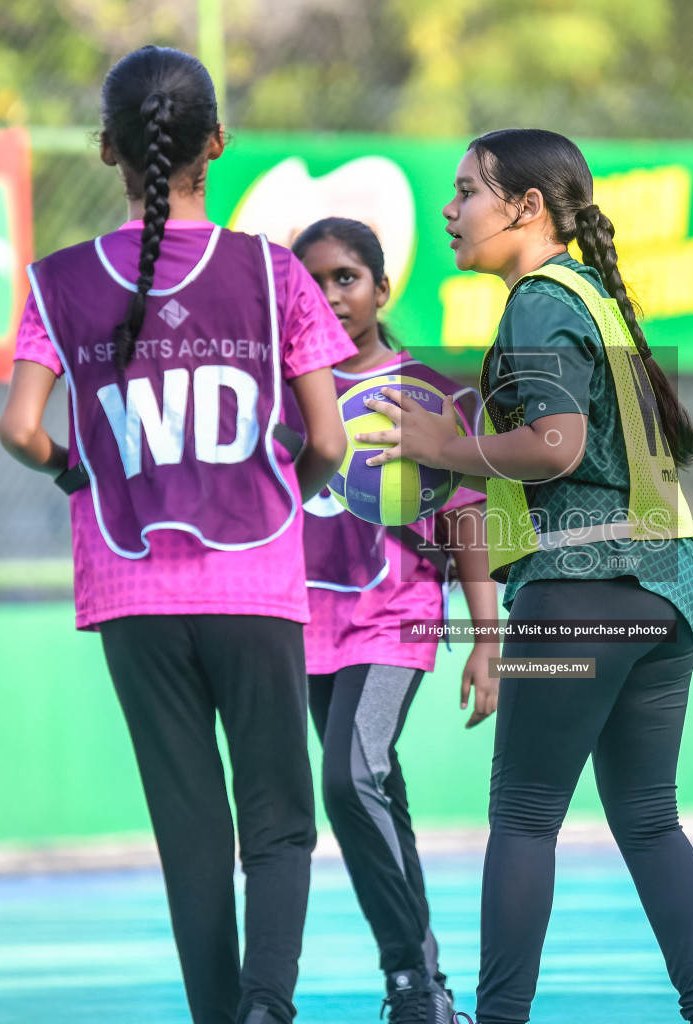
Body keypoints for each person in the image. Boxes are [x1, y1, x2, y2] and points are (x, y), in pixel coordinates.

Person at [0, 45, 354, 1024]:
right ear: (219, 145)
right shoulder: (273, 273)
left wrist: (79, 470)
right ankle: (267, 1004)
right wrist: (286, 481)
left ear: (108, 147)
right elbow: (327, 437)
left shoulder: (57, 282)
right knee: (278, 822)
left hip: (131, 589)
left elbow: (20, 429)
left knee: (190, 829)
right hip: (256, 574)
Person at [359, 128, 693, 1024]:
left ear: (527, 208)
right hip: (666, 586)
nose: (450, 211)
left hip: (583, 582)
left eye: (467, 192)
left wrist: (442, 444)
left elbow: (555, 447)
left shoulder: (537, 299)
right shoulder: (595, 295)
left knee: (525, 817)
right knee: (648, 820)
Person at [289, 217, 499, 1024]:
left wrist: (486, 639)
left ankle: (410, 980)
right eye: (312, 282)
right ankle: (429, 987)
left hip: (396, 620)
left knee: (349, 778)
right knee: (376, 789)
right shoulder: (284, 394)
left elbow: (469, 520)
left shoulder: (429, 391)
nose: (331, 294)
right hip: (303, 626)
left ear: (382, 288)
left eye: (347, 277)